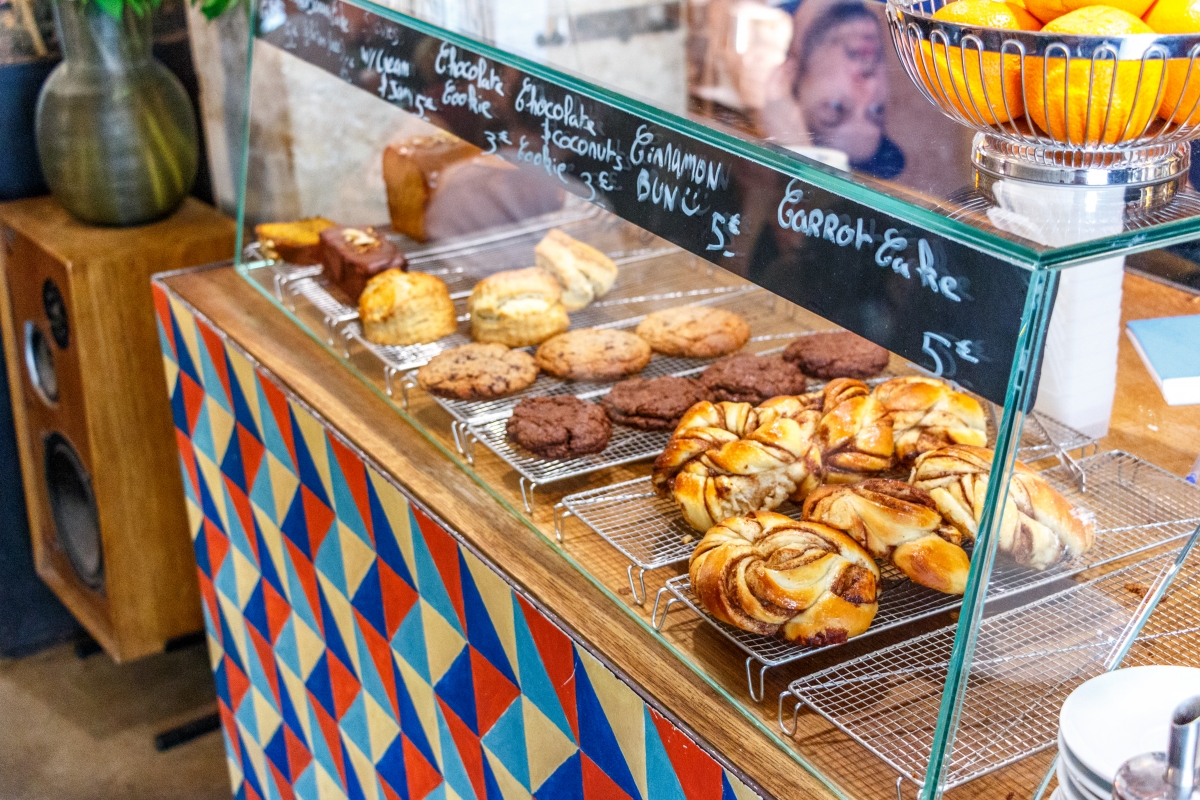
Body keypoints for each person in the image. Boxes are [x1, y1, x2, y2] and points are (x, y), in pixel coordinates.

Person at [760, 0, 906, 179]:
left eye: (836, 107)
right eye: (877, 110)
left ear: (785, 81)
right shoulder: (928, 10)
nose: (870, 86)